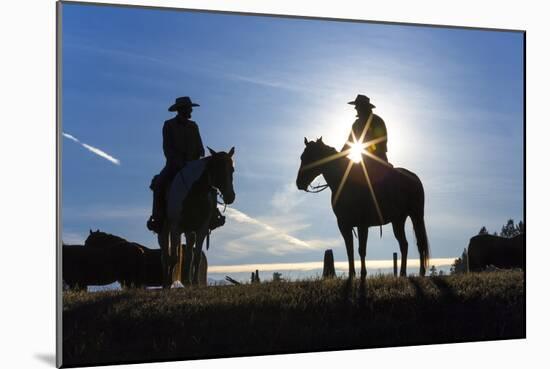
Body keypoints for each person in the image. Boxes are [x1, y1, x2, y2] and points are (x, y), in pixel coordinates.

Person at [147, 96, 224, 233]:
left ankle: (213, 216)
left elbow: (200, 148)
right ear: (181, 110)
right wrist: (178, 161)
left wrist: (195, 160)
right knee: (159, 184)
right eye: (189, 109)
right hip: (174, 165)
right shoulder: (169, 125)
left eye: (190, 109)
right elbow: (167, 148)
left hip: (192, 165)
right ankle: (157, 217)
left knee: (211, 185)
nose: (191, 111)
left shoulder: (194, 126)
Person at [341, 94, 389, 163]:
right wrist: (339, 156)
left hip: (379, 161)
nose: (355, 108)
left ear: (364, 106)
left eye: (357, 105)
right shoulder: (356, 124)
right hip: (365, 160)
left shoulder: (376, 120)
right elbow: (350, 143)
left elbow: (381, 142)